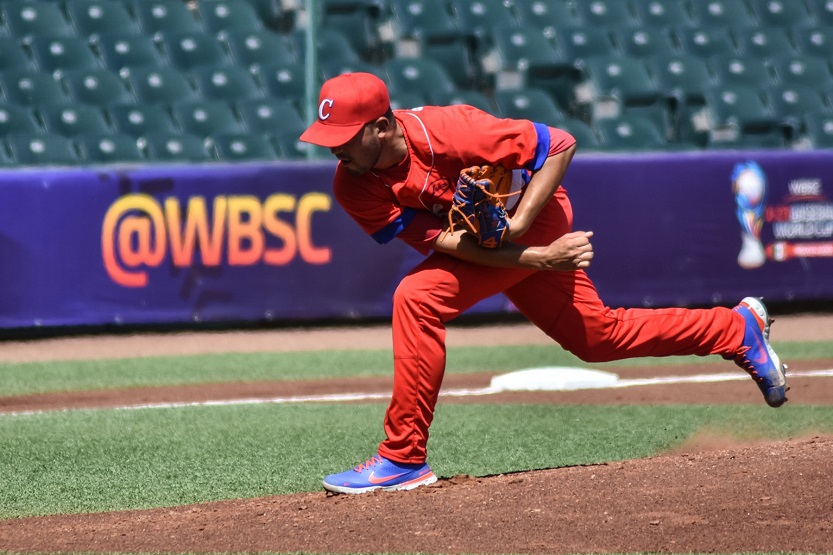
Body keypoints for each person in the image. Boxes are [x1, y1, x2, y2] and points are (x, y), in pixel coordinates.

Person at [299, 72, 788, 495]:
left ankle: (402, 457)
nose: (334, 148)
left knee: (416, 297)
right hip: (498, 245)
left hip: (537, 217)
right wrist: (539, 260)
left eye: (345, 136)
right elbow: (447, 243)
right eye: (328, 136)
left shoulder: (450, 130)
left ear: (382, 127)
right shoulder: (352, 184)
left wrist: (520, 229)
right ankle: (735, 329)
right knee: (597, 338)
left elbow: (559, 143)